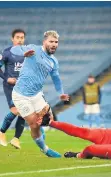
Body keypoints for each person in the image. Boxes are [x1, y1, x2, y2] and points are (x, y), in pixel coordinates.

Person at [11, 30, 69, 158]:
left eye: (56, 42)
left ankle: (39, 132)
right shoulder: (33, 49)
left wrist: (61, 93)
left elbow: (56, 78)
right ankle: (45, 149)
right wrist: (23, 54)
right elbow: (14, 50)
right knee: (34, 124)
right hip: (21, 95)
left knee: (49, 118)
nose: (54, 44)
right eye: (51, 41)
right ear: (44, 42)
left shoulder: (53, 61)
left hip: (36, 95)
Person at [0, 29, 26, 148]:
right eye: (17, 37)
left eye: (22, 37)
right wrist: (7, 78)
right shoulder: (6, 53)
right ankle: (1, 132)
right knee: (16, 110)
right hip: (10, 86)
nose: (20, 40)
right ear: (12, 39)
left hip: (23, 87)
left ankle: (16, 139)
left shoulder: (27, 53)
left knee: (23, 113)